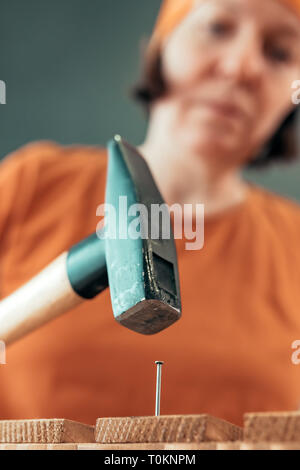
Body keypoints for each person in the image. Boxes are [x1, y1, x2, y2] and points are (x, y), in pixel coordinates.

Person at [0, 0, 300, 427]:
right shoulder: (29, 186)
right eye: (217, 27)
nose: (241, 67)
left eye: (279, 53)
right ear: (161, 49)